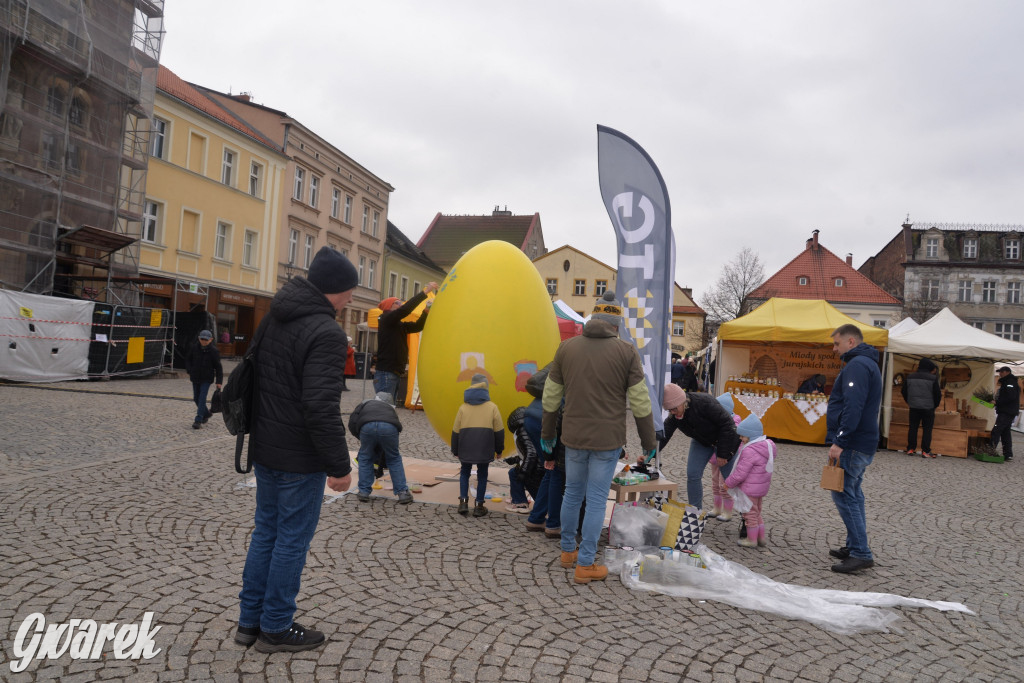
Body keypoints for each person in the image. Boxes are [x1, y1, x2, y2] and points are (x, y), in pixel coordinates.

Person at [236, 246, 356, 654]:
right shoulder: (327, 332)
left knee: (266, 534)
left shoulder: (275, 316)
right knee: (291, 541)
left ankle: (250, 622)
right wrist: (339, 466)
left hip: (267, 448)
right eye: (349, 291)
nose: (350, 299)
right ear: (334, 289)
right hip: (299, 458)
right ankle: (275, 626)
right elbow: (320, 405)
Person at [541, 291, 656, 584]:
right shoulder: (626, 352)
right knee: (595, 501)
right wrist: (649, 442)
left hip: (573, 436)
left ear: (593, 318)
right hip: (607, 440)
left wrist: (547, 434)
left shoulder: (566, 348)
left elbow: (550, 397)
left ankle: (568, 551)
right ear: (616, 325)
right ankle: (586, 563)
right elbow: (640, 401)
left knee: (571, 493)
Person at [825, 324, 882, 574]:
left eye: (836, 343)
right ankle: (854, 545)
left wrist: (840, 441)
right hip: (862, 441)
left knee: (844, 494)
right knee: (854, 494)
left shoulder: (857, 365)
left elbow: (853, 406)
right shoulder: (867, 363)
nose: (834, 348)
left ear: (851, 341)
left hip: (854, 443)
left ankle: (860, 552)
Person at [658, 384, 740, 511]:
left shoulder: (705, 402)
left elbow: (728, 425)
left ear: (682, 401)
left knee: (731, 479)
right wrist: (649, 453)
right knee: (692, 474)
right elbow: (664, 435)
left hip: (724, 440)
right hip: (702, 441)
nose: (672, 413)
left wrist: (723, 454)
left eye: (674, 409)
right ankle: (695, 513)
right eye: (669, 410)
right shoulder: (674, 416)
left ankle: (747, 515)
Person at [451, 374, 505, 517]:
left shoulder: (463, 408)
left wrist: (455, 450)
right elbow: (499, 431)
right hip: (484, 446)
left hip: (466, 445)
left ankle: (463, 502)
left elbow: (455, 431)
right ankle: (479, 505)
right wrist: (499, 449)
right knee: (482, 474)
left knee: (464, 472)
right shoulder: (492, 407)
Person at [374, 283, 439, 401]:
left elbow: (417, 326)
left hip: (393, 372)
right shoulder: (386, 319)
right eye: (398, 303)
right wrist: (424, 293)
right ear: (389, 306)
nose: (401, 304)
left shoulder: (397, 325)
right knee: (384, 407)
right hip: (386, 372)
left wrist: (425, 311)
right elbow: (405, 310)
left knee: (389, 407)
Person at [521, 366, 565, 537]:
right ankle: (553, 524)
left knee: (550, 470)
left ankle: (536, 519)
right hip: (547, 419)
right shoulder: (583, 364)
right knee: (557, 472)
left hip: (533, 414)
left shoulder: (564, 359)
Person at [349, 391, 413, 504]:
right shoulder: (390, 409)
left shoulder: (365, 403)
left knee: (365, 457)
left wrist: (362, 438)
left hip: (366, 425)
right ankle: (402, 492)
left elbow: (352, 422)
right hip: (389, 427)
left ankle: (363, 491)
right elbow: (397, 425)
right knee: (394, 458)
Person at [725, 414, 776, 548]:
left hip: (749, 489)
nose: (740, 439)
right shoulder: (767, 446)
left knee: (749, 514)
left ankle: (751, 540)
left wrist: (728, 483)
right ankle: (761, 538)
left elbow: (740, 474)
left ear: (750, 436)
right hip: (760, 488)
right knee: (757, 513)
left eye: (743, 436)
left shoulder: (750, 451)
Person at [901, 358, 941, 457]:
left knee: (913, 427)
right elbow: (938, 395)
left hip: (914, 406)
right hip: (928, 408)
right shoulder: (933, 378)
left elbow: (903, 391)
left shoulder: (910, 377)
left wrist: (909, 402)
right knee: (927, 429)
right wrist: (934, 405)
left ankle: (910, 449)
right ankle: (925, 451)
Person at [185, 329, 222, 429]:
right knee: (196, 398)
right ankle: (206, 413)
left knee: (202, 398)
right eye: (202, 339)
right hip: (195, 377)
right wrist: (189, 370)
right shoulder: (194, 348)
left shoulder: (214, 351)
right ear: (199, 338)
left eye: (206, 340)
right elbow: (188, 359)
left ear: (211, 340)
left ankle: (198, 420)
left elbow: (218, 367)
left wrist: (219, 381)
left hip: (207, 378)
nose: (204, 341)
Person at [708, 393, 738, 521]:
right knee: (715, 483)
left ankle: (727, 511)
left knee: (724, 485)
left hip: (727, 459)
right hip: (715, 458)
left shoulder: (734, 423)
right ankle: (717, 508)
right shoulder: (713, 421)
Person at [990, 366, 1020, 462]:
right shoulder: (1008, 381)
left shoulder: (1010, 382)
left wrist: (997, 402)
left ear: (1007, 372)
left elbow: (1010, 397)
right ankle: (1008, 454)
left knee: (996, 431)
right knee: (1005, 433)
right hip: (1008, 411)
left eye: (1001, 372)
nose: (1000, 374)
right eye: (1000, 372)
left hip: (1007, 411)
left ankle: (990, 451)